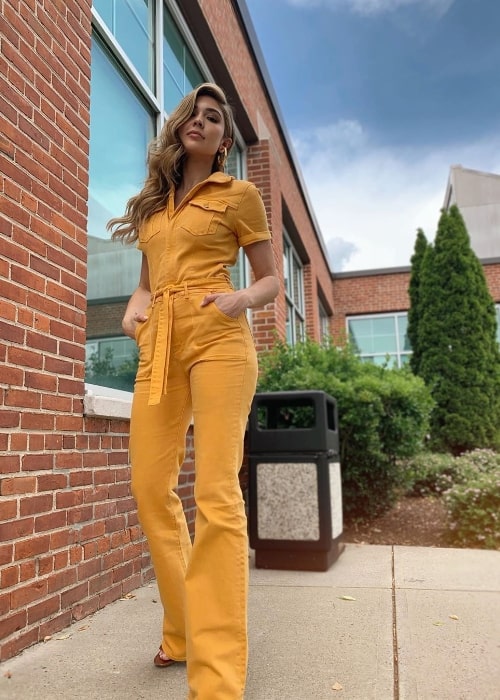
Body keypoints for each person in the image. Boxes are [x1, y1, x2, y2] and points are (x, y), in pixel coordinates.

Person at [108, 83, 279, 700]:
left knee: (215, 492)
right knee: (150, 488)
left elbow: (269, 278)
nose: (200, 123)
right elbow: (145, 286)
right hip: (160, 347)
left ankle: (216, 677)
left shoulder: (240, 195)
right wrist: (132, 314)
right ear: (179, 127)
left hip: (217, 341)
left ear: (224, 139)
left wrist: (240, 299)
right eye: (193, 115)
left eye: (213, 119)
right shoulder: (155, 209)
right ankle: (181, 632)